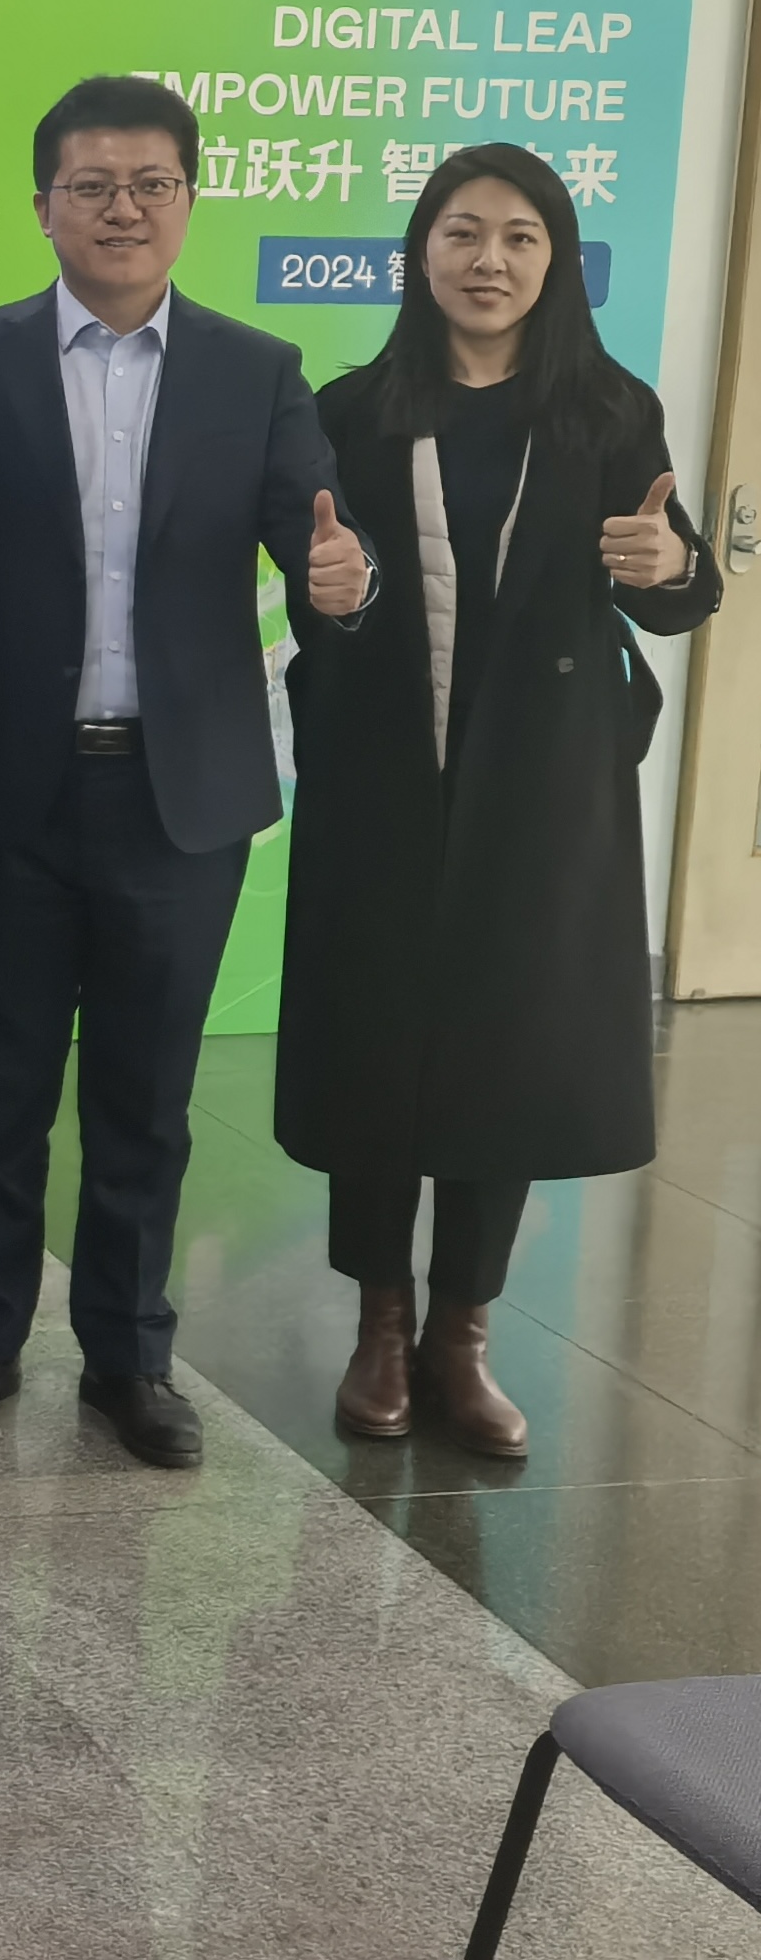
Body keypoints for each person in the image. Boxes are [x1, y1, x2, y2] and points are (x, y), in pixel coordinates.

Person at [0, 75, 378, 1468]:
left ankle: (130, 1356)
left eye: (151, 184)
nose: (121, 209)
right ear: (42, 205)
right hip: (6, 790)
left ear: (189, 201)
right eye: (92, 185)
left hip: (181, 801)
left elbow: (321, 546)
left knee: (145, 1103)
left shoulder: (256, 371)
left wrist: (346, 581)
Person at [278, 142, 715, 1458]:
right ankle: (380, 1323)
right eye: (463, 232)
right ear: (421, 252)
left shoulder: (610, 410)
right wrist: (332, 591)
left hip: (541, 794)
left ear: (556, 259)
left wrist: (667, 562)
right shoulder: (353, 408)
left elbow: (675, 592)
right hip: (384, 782)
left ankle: (462, 1335)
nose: (490, 261)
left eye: (522, 237)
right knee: (377, 1045)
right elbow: (326, 591)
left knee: (503, 1054)